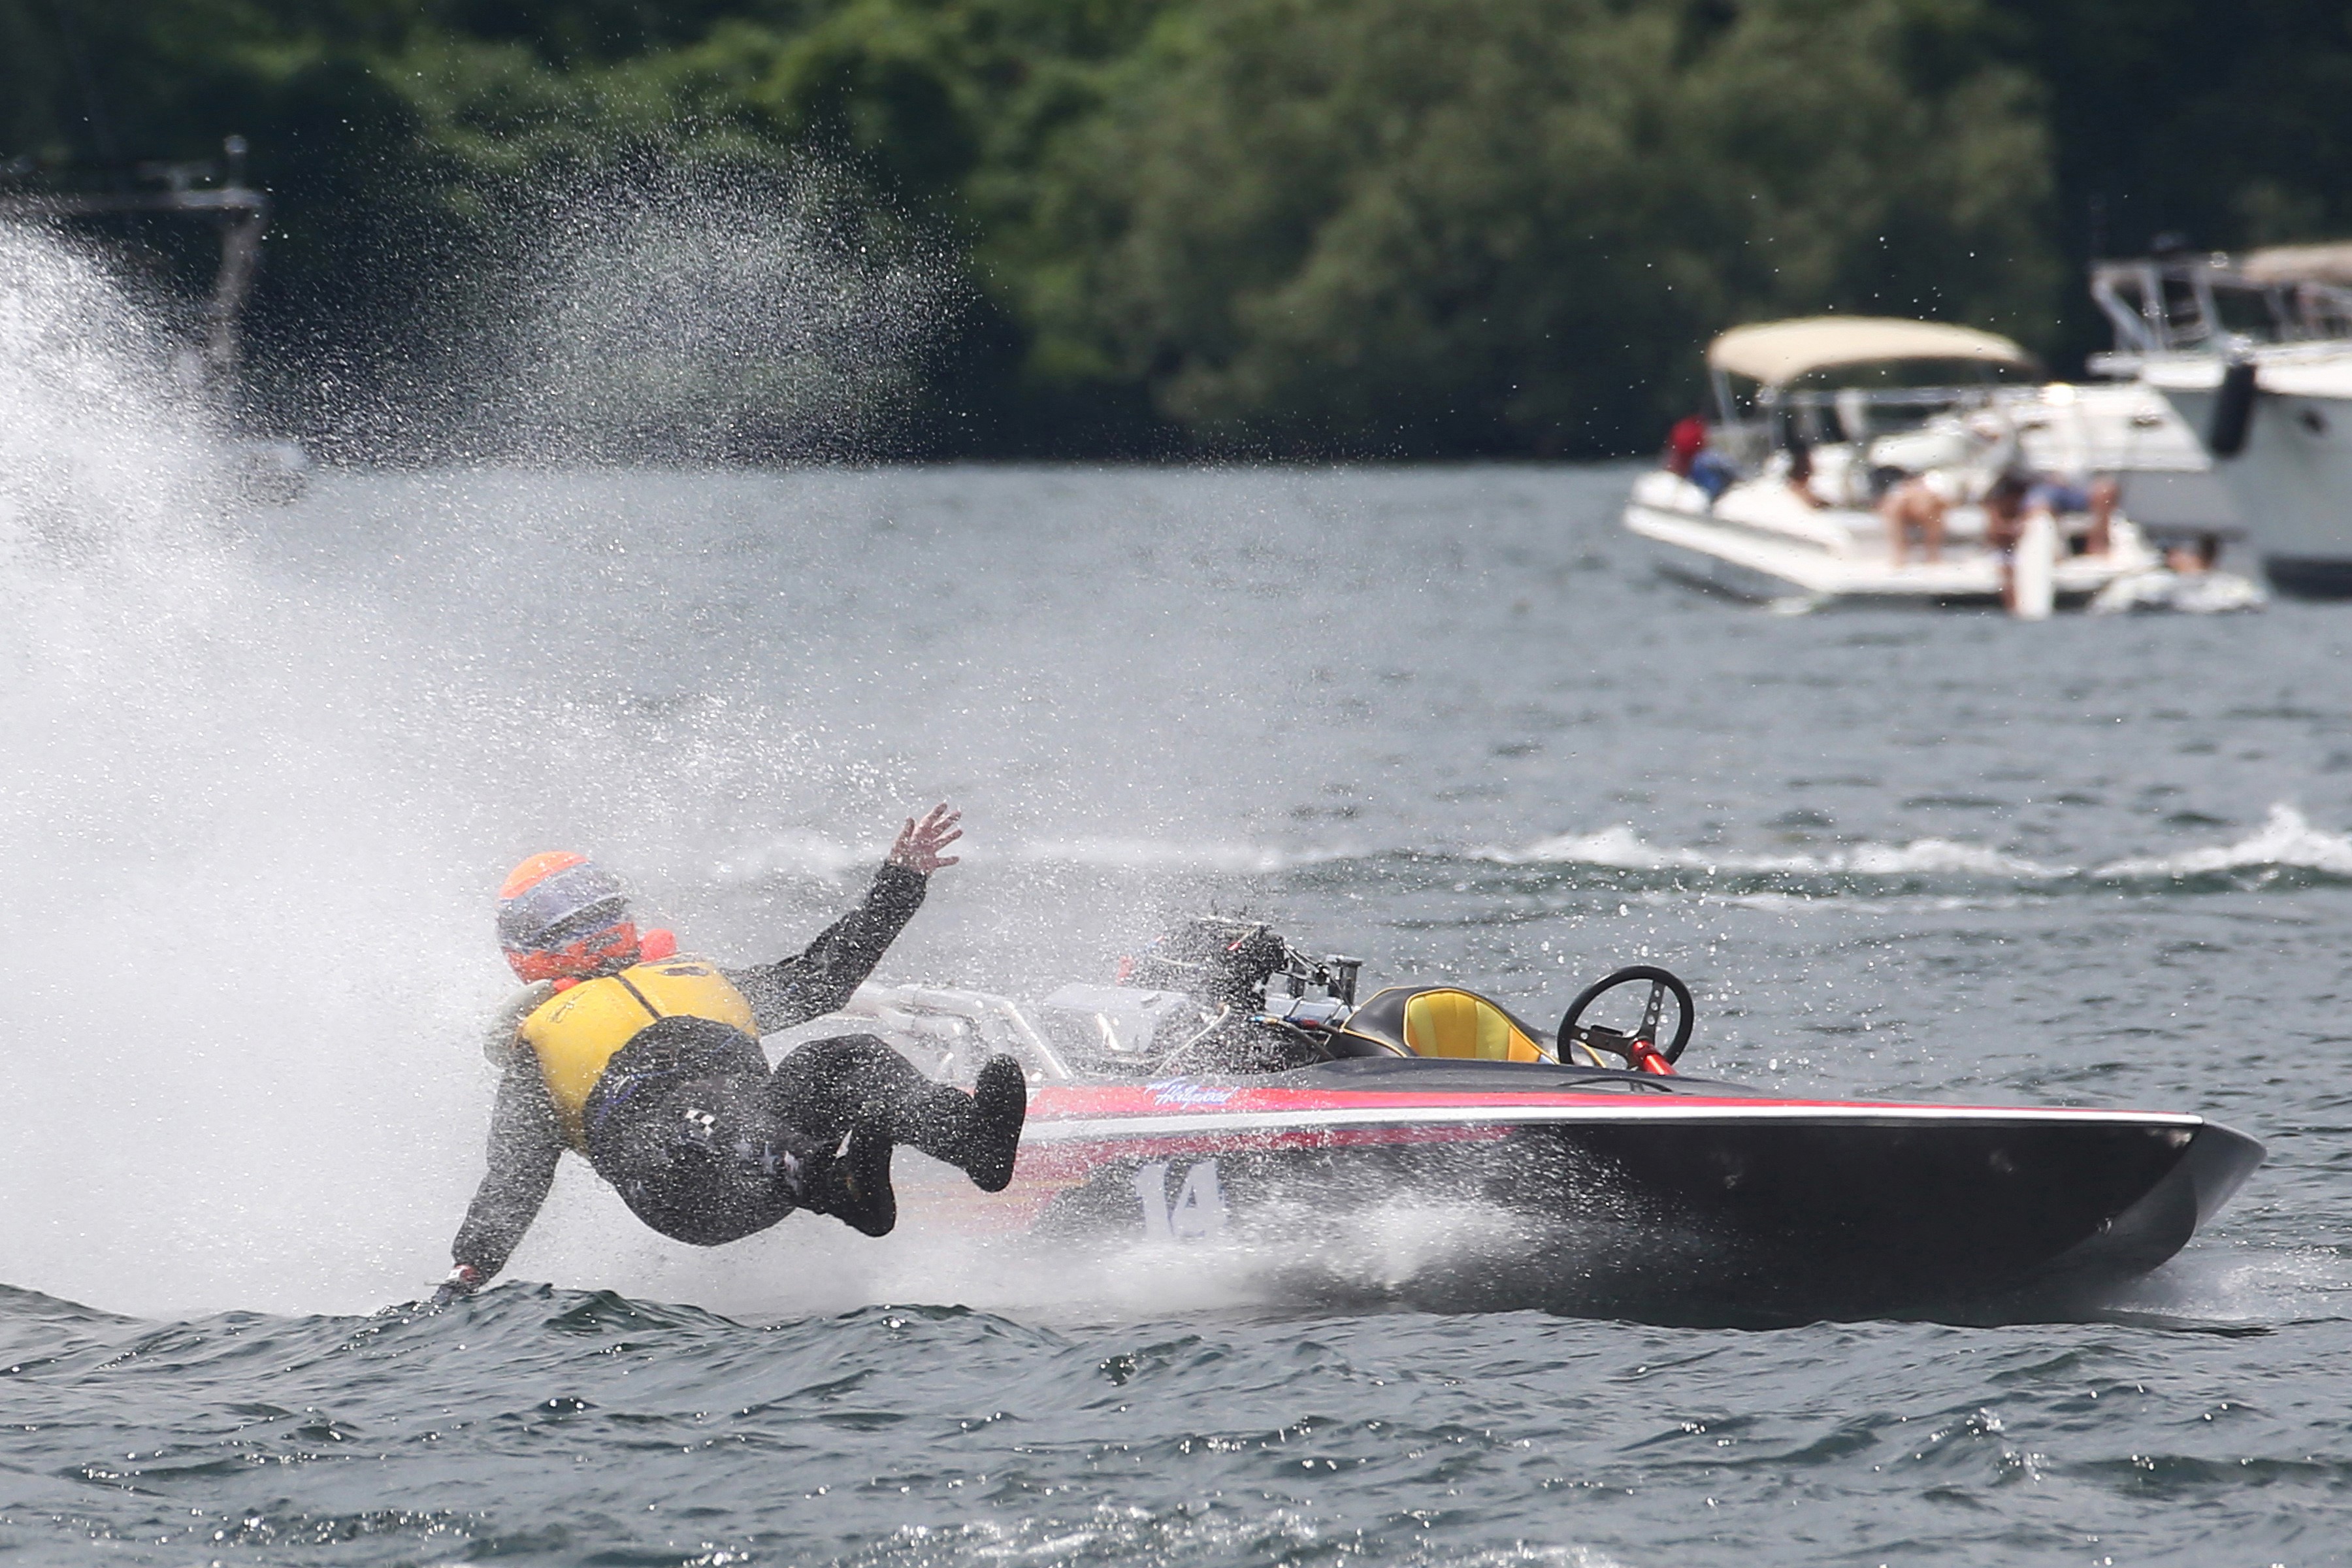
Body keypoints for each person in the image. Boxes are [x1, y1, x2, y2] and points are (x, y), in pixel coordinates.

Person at [434, 804, 1024, 1304]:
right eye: (570, 921)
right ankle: (837, 1185)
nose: (592, 927)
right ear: (530, 947)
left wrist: (902, 880)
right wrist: (467, 1274)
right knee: (697, 1103)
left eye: (597, 910)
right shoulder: (535, 1049)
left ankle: (968, 1140)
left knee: (843, 1056)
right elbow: (515, 1178)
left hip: (762, 1160)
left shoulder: (699, 978)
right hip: (683, 1190)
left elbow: (826, 975)